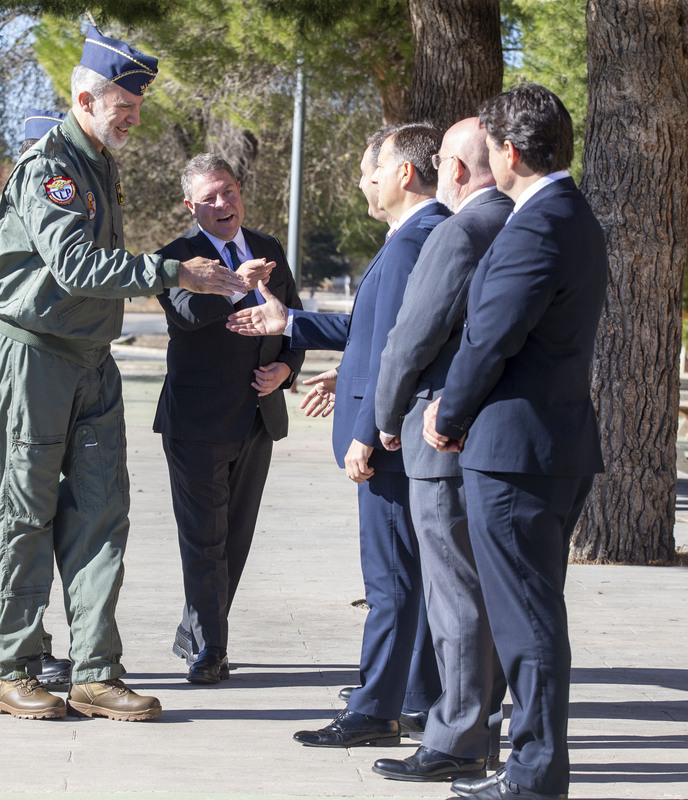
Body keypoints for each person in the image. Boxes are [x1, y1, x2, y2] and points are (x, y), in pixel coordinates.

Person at [0, 27, 247, 722]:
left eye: (136, 106)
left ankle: (96, 672)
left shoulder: (101, 161)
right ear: (82, 98)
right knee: (28, 513)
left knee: (103, 516)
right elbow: (76, 268)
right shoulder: (55, 166)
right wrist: (173, 270)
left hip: (91, 360)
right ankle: (12, 668)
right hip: (34, 356)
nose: (131, 117)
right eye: (120, 105)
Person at [227, 123, 448, 746]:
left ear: (404, 173)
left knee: (392, 580)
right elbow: (376, 334)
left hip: (390, 446)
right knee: (408, 577)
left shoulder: (412, 244)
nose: (362, 182)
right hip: (397, 436)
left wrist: (369, 433)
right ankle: (415, 696)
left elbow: (398, 351)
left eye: (369, 170)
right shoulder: (416, 237)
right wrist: (295, 324)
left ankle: (378, 709)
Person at [423, 84, 608, 800]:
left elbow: (492, 336)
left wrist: (449, 412)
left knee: (526, 620)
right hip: (549, 445)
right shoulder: (574, 215)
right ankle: (532, 766)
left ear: (508, 152)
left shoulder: (539, 224)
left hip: (516, 451)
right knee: (534, 613)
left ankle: (533, 776)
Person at [368, 117, 512, 784]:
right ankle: (475, 727)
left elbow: (411, 336)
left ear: (453, 170)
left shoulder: (463, 230)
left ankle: (458, 737)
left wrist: (386, 414)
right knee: (484, 595)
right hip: (495, 436)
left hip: (440, 437)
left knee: (454, 597)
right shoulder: (519, 218)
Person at [153, 153, 304, 685]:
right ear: (191, 206)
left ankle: (196, 630)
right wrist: (234, 284)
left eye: (230, 191)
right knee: (203, 537)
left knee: (234, 538)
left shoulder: (268, 248)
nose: (224, 204)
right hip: (196, 421)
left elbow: (292, 320)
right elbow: (186, 316)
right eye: (210, 198)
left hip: (258, 417)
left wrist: (286, 367)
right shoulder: (177, 256)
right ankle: (211, 650)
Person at [0, 110, 72, 689]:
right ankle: (14, 648)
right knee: (19, 512)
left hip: (10, 374)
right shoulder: (21, 213)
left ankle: (26, 642)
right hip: (4, 377)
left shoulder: (7, 210)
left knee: (27, 511)